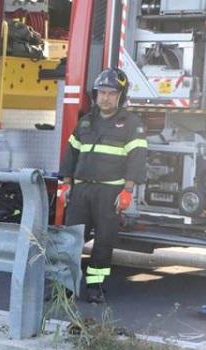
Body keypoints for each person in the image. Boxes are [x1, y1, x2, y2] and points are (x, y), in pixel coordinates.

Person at [59, 67, 148, 304]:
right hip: (81, 191)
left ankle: (95, 287)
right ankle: (66, 288)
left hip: (110, 193)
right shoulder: (86, 123)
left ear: (120, 96)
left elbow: (137, 159)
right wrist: (66, 184)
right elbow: (71, 154)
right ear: (95, 94)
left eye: (111, 93)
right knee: (71, 240)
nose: (105, 97)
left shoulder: (131, 124)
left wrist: (128, 190)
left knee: (104, 243)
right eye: (101, 92)